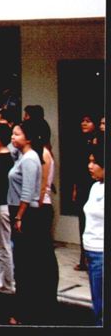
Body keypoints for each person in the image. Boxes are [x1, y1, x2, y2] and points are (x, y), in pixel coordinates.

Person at [7, 119, 58, 324]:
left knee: (27, 265)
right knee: (26, 263)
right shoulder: (22, 155)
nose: (13, 137)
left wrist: (19, 216)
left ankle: (27, 311)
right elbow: (10, 149)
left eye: (17, 134)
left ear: (28, 138)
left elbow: (28, 192)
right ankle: (28, 308)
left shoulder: (29, 158)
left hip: (27, 214)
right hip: (22, 212)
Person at [0, 122, 16, 297]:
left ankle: (7, 285)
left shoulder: (4, 159)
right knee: (0, 246)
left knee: (3, 247)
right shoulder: (2, 157)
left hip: (2, 205)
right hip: (0, 205)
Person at [74, 112, 102, 270]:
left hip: (95, 184)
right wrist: (75, 188)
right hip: (83, 185)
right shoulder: (80, 142)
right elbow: (77, 168)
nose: (84, 124)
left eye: (88, 121)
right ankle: (83, 257)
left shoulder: (98, 143)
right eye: (82, 121)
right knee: (83, 221)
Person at [82, 150, 104, 326]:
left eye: (94, 162)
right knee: (97, 300)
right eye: (89, 162)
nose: (90, 166)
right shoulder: (95, 187)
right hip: (90, 249)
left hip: (101, 252)